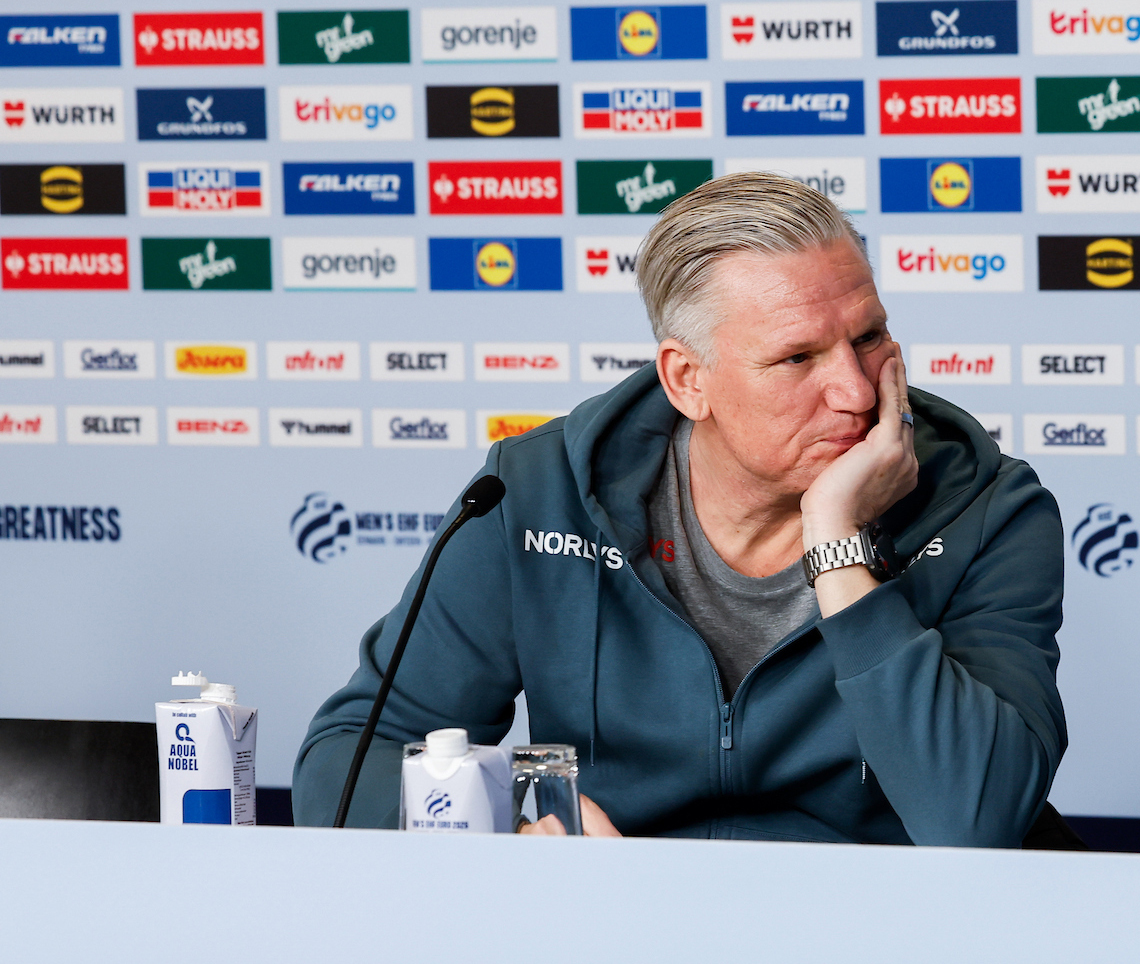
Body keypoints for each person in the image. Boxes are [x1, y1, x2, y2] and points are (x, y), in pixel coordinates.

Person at [295, 173, 1074, 847]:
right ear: (687, 380)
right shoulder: (534, 494)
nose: (856, 390)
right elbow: (349, 761)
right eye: (797, 357)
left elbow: (977, 819)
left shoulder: (987, 508)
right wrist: (504, 834)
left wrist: (838, 546)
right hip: (623, 927)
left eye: (869, 337)